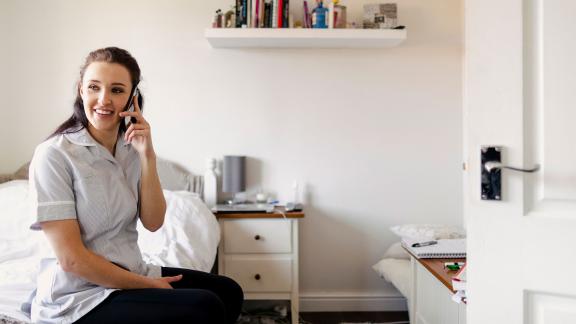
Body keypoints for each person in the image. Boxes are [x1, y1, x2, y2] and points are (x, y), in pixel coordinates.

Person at [27, 47, 243, 323]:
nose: (103, 100)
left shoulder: (131, 150)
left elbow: (153, 222)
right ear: (81, 90)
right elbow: (72, 260)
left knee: (228, 291)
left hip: (130, 272)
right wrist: (148, 285)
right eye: (94, 87)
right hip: (79, 295)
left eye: (116, 90)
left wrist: (147, 155)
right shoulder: (55, 155)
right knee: (204, 306)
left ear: (132, 97)